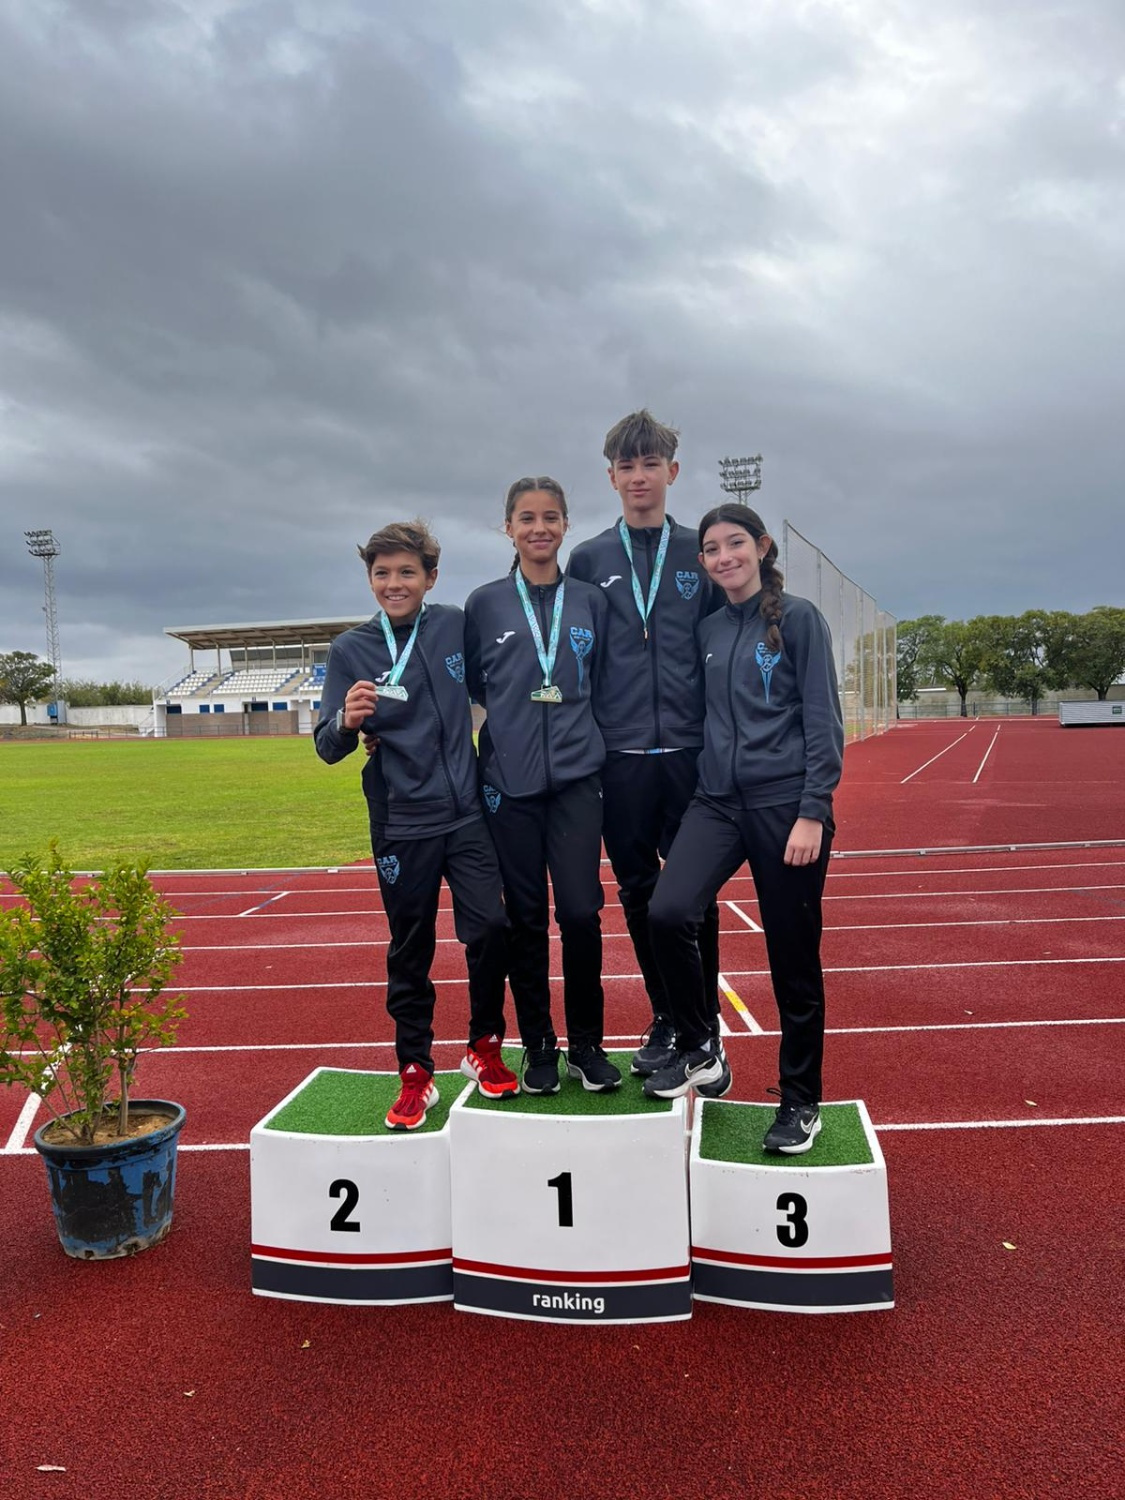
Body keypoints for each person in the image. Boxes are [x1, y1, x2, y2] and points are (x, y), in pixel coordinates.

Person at [643, 503, 844, 1154]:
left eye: (734, 543)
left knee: (791, 961)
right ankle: (702, 1045)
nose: (723, 556)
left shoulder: (799, 620)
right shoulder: (706, 630)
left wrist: (812, 809)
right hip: (717, 801)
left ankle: (800, 1100)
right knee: (669, 910)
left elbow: (821, 719)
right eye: (710, 549)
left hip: (786, 805)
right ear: (700, 563)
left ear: (759, 548)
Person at [314, 520, 518, 1130]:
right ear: (370, 579)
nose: (394, 583)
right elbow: (326, 746)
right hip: (401, 821)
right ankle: (415, 1070)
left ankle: (483, 1046)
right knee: (411, 947)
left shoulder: (454, 624)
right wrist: (348, 723)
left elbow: (498, 683)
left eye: (407, 572)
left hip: (466, 815)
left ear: (431, 578)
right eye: (382, 573)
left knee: (492, 928)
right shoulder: (350, 648)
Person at [566, 410, 727, 1093]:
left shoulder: (701, 551)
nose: (639, 476)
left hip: (690, 750)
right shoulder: (589, 560)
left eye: (650, 463)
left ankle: (704, 1025)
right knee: (636, 889)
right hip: (622, 755)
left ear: (672, 472)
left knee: (691, 894)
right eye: (626, 466)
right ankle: (666, 1018)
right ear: (610, 477)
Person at [464, 477, 619, 1095]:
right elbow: (476, 684)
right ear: (508, 527)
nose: (539, 528)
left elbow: (601, 680)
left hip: (579, 778)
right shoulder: (484, 604)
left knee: (581, 913)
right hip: (510, 784)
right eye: (526, 517)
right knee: (525, 919)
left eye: (550, 517)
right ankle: (541, 1047)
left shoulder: (590, 601)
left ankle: (586, 1043)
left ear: (565, 525)